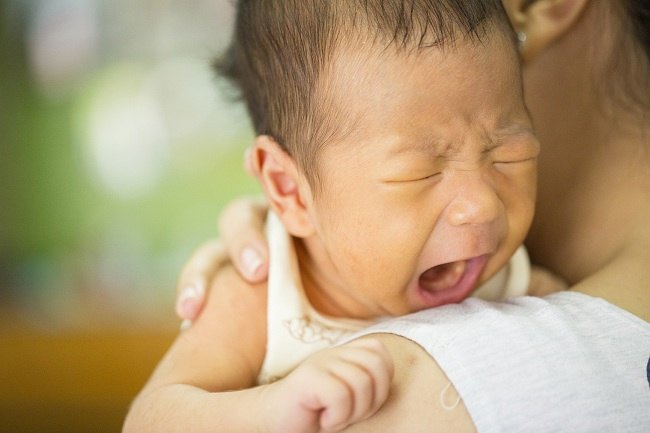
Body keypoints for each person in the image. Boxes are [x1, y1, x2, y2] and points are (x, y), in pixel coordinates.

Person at [173, 0, 650, 431]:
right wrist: (273, 408)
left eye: (509, 153)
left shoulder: (521, 284)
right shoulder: (263, 295)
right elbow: (155, 416)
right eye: (419, 174)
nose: (480, 206)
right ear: (287, 189)